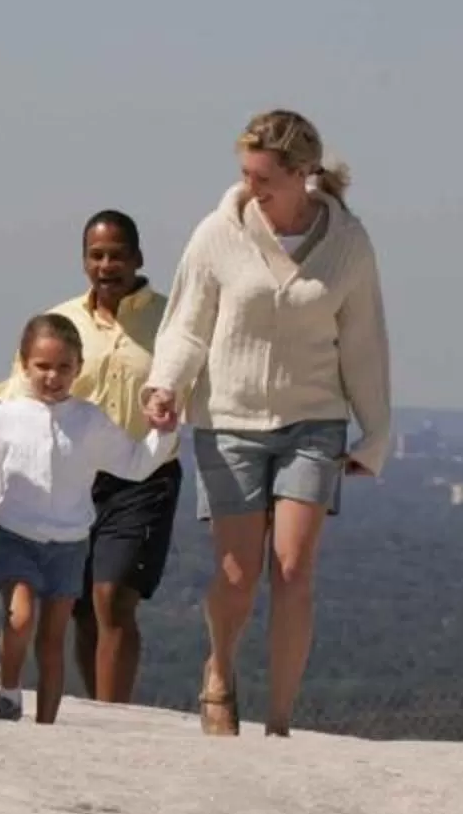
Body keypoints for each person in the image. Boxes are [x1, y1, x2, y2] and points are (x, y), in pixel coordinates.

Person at [144, 110, 394, 737]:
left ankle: (280, 720)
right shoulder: (217, 233)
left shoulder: (348, 242)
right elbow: (187, 321)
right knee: (237, 574)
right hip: (229, 420)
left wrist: (377, 431)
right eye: (246, 175)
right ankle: (220, 673)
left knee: (293, 569)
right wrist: (165, 385)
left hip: (314, 421)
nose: (251, 187)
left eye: (263, 177)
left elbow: (364, 342)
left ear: (302, 174)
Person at [0, 314, 179, 723]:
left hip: (69, 545)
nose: (53, 377)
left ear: (78, 368)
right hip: (16, 534)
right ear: (23, 364)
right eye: (43, 366)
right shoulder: (4, 418)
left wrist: (164, 432)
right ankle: (10, 691)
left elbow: (135, 463)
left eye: (63, 368)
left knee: (52, 637)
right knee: (20, 617)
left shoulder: (89, 421)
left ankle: (46, 722)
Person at [0, 211, 179, 704]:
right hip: (69, 477)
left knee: (112, 596)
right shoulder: (61, 321)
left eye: (117, 254)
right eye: (96, 255)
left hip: (144, 474)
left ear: (138, 257)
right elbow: (19, 393)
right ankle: (97, 709)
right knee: (77, 605)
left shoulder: (173, 319)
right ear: (83, 261)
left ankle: (114, 712)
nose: (107, 264)